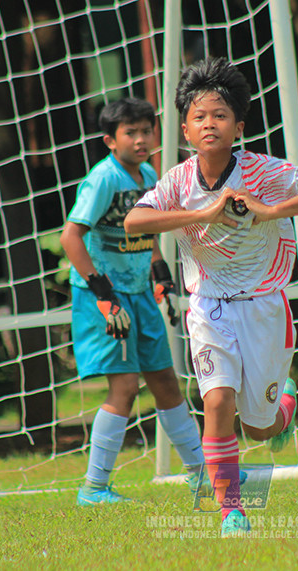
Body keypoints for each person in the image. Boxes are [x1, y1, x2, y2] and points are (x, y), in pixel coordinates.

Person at [124, 57, 298, 537]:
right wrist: (199, 215)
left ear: (238, 126)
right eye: (200, 117)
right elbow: (134, 222)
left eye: (220, 116)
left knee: (258, 429)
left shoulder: (262, 172)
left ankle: (283, 410)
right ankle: (232, 514)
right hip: (207, 308)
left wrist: (270, 213)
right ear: (185, 128)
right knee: (218, 401)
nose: (210, 124)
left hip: (265, 307)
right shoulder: (178, 182)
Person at [61, 97, 205, 506]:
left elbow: (145, 235)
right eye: (131, 132)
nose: (142, 139)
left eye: (147, 130)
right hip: (106, 295)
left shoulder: (147, 173)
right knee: (124, 386)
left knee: (164, 380)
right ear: (110, 140)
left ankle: (201, 476)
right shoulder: (103, 179)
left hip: (140, 291)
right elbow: (70, 237)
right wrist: (103, 296)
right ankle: (94, 488)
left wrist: (162, 278)